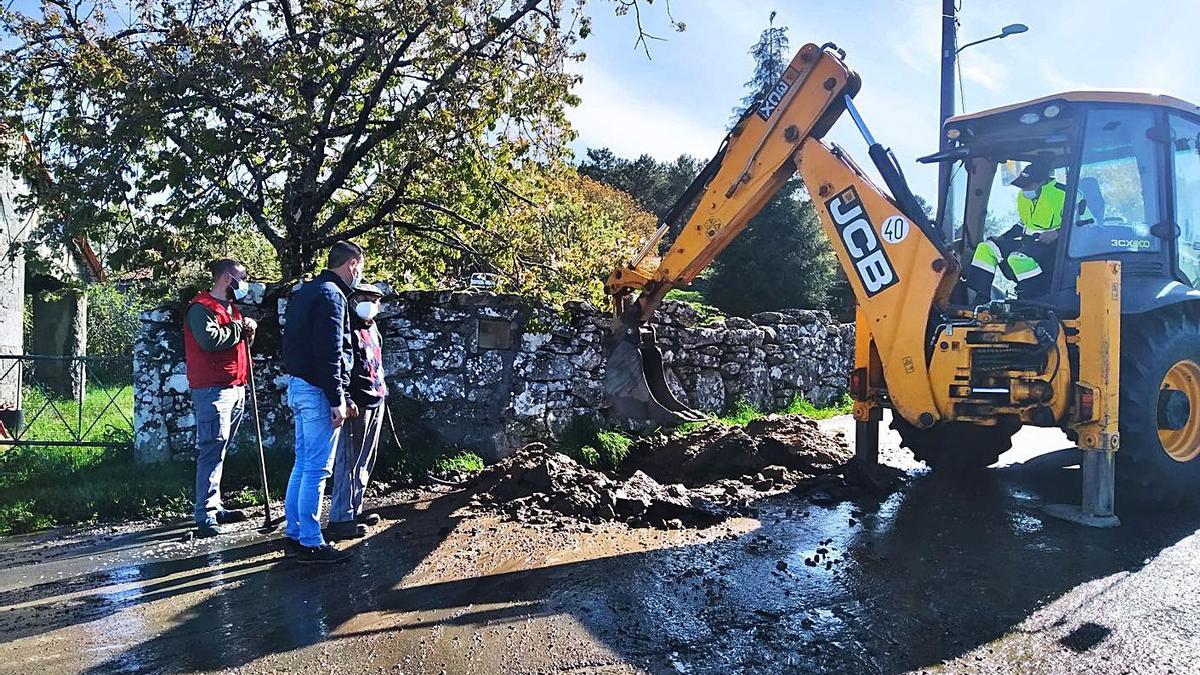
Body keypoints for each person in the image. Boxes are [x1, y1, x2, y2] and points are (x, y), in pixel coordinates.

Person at [281, 240, 365, 564]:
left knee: (302, 464)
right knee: (317, 469)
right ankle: (312, 541)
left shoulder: (307, 291)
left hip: (300, 386)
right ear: (352, 265)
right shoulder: (332, 295)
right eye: (361, 269)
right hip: (318, 391)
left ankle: (295, 533)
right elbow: (330, 352)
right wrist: (338, 398)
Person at [183, 258, 257, 538]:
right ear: (227, 278)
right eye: (241, 277)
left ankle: (214, 504)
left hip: (235, 385)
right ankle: (204, 512)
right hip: (213, 389)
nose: (244, 283)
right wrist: (241, 328)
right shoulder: (201, 308)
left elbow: (237, 344)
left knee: (220, 448)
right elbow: (209, 341)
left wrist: (248, 332)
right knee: (211, 447)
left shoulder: (231, 309)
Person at [327, 283, 389, 540]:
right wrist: (346, 397)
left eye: (375, 299)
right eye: (366, 298)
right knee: (348, 461)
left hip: (376, 399)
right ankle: (341, 517)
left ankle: (355, 509)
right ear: (353, 299)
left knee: (365, 459)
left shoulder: (372, 326)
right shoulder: (346, 327)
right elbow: (341, 364)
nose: (371, 303)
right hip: (357, 402)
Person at [966, 161, 1067, 298]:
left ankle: (1031, 299)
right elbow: (1022, 225)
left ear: (1042, 182)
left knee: (1017, 258)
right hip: (1029, 244)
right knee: (987, 248)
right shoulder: (1023, 197)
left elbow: (1088, 225)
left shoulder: (1064, 194)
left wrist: (1057, 233)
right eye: (1022, 186)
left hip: (1054, 250)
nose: (1024, 190)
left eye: (1028, 186)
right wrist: (1003, 237)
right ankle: (980, 297)